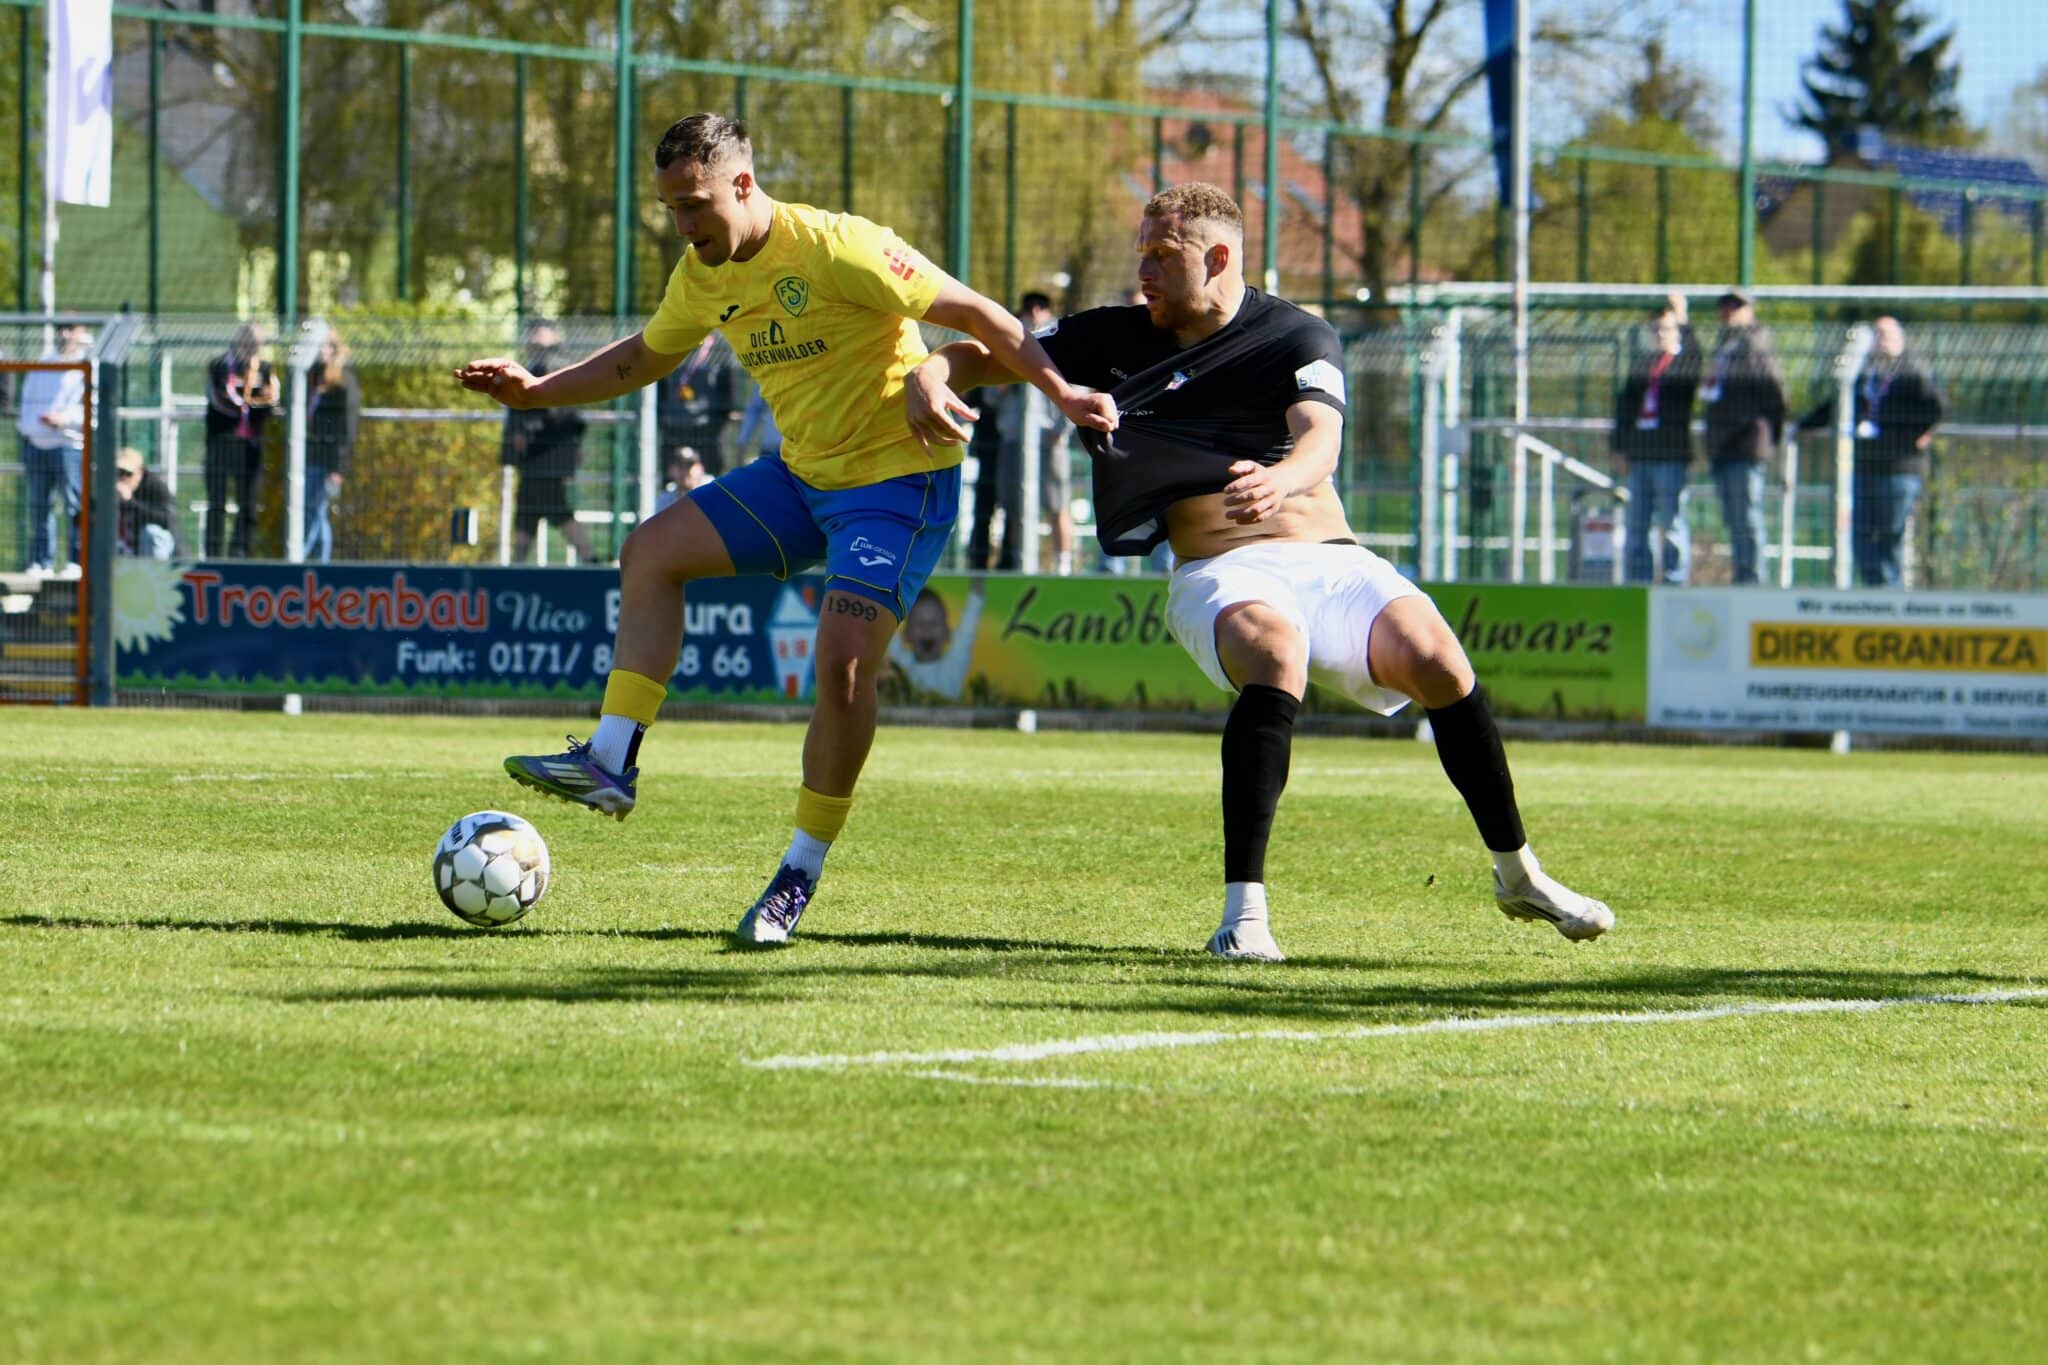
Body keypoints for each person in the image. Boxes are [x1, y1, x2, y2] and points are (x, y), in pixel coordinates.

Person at [906, 182, 1613, 959]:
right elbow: (989, 353)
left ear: (1217, 258)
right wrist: (933, 375)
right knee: (1277, 654)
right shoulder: (1114, 334)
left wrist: (1285, 478)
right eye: (1140, 249)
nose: (1142, 268)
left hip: (1330, 561)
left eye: (1160, 254)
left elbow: (1321, 440)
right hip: (1220, 572)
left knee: (1442, 660)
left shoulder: (1295, 335)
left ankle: (1518, 872)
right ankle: (1244, 918)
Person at [455, 113, 1113, 944]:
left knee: (840, 669)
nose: (686, 227)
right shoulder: (701, 272)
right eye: (671, 211)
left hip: (895, 483)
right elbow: (640, 360)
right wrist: (535, 390)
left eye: (695, 205)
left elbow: (982, 314)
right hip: (802, 478)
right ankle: (611, 759)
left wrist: (1066, 396)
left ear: (742, 182)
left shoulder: (841, 247)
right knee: (649, 553)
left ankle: (798, 871)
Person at [1792, 315, 1944, 587]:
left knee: (1889, 537)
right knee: (1860, 534)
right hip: (1866, 466)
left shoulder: (1912, 371)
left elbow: (1936, 406)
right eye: (1877, 335)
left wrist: (1916, 435)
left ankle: (1890, 597)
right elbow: (1838, 404)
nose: (1880, 342)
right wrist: (1803, 425)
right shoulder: (1866, 374)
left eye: (1886, 335)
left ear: (1900, 339)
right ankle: (1876, 591)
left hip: (1899, 467)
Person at [1700, 291, 1786, 585]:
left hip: (1745, 443)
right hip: (1722, 444)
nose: (1728, 312)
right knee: (1733, 517)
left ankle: (1752, 578)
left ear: (1750, 310)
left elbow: (1774, 393)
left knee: (1747, 515)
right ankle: (1742, 573)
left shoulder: (1754, 343)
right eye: (1724, 306)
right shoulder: (1724, 344)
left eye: (1736, 306)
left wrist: (1767, 434)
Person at [1612, 296, 1700, 584]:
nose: (1661, 334)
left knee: (1672, 523)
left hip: (1670, 455)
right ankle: (1638, 581)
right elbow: (1624, 408)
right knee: (1637, 524)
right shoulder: (1642, 366)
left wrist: (1683, 316)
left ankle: (1674, 580)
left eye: (1667, 328)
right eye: (1657, 329)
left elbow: (1696, 356)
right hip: (1641, 454)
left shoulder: (1682, 364)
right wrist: (1619, 447)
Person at [499, 320, 595, 564]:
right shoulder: (534, 366)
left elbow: (560, 412)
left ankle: (590, 560)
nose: (534, 342)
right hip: (534, 459)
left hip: (547, 457)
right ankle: (517, 566)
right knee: (530, 517)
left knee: (556, 512)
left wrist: (528, 431)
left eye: (540, 338)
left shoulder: (556, 368)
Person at [994, 292, 1076, 574]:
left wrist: (1061, 430)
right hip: (1014, 439)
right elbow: (993, 397)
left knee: (1057, 503)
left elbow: (1077, 389)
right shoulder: (1007, 343)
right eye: (1028, 308)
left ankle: (1062, 565)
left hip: (1050, 440)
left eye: (1040, 307)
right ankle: (1019, 561)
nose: (1033, 313)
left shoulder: (1063, 341)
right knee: (1013, 506)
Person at [15, 321, 91, 578]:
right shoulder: (43, 363)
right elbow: (27, 401)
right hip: (36, 444)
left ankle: (75, 561)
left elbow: (93, 410)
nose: (64, 334)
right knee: (39, 506)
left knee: (73, 505)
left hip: (68, 445)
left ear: (81, 333)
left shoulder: (88, 366)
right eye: (61, 327)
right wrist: (28, 429)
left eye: (71, 328)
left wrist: (64, 420)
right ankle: (41, 562)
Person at [203, 321, 279, 559]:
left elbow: (270, 403)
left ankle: (240, 553)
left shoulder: (265, 369)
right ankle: (213, 554)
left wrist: (256, 402)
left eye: (257, 344)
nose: (253, 348)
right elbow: (220, 399)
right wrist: (247, 403)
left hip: (251, 447)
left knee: (249, 505)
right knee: (217, 503)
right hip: (221, 443)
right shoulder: (219, 366)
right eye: (249, 343)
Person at [304, 331, 362, 563]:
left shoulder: (344, 383)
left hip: (329, 459)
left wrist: (338, 468)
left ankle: (302, 557)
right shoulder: (318, 379)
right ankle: (320, 561)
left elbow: (347, 429)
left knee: (313, 509)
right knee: (317, 511)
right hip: (313, 454)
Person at [657, 332, 739, 475]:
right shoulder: (669, 342)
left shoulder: (721, 348)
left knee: (709, 485)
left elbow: (728, 394)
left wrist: (716, 425)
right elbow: (661, 391)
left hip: (707, 435)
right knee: (673, 485)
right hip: (674, 433)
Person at [114, 447, 178, 559]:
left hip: (163, 551)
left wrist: (130, 502)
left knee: (151, 532)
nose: (123, 477)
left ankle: (156, 574)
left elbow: (167, 519)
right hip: (129, 549)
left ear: (140, 472)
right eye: (119, 472)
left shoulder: (155, 486)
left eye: (128, 473)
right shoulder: (111, 489)